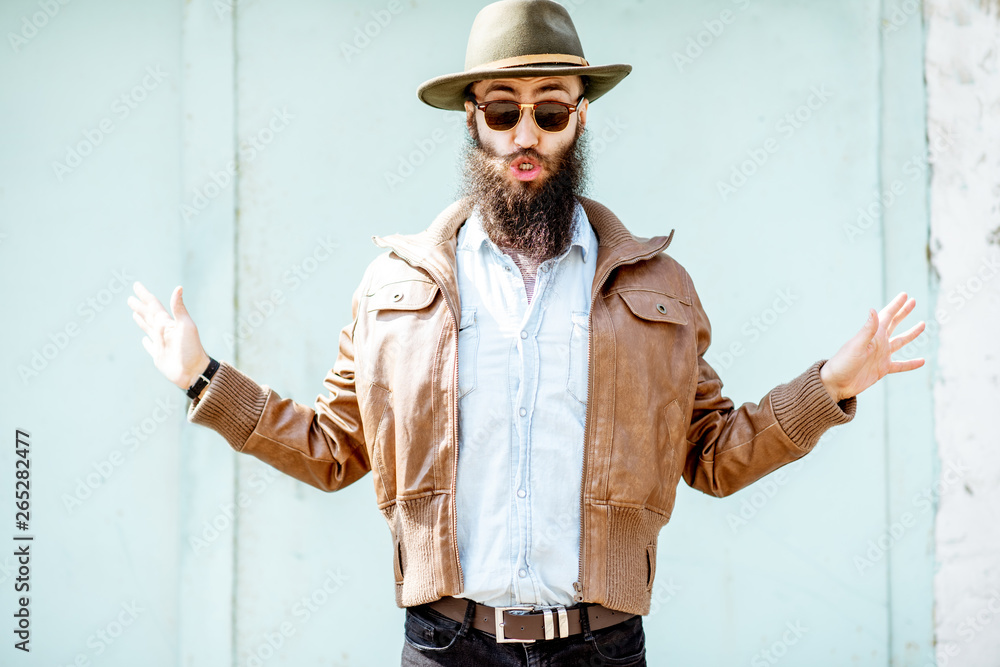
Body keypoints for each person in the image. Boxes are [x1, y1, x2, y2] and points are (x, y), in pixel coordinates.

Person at [127, 1, 926, 664]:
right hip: (446, 642)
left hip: (600, 645)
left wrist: (830, 389)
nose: (525, 136)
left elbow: (713, 455)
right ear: (474, 120)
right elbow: (334, 447)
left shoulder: (658, 289)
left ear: (578, 119)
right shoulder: (394, 291)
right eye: (504, 110)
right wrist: (206, 378)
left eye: (548, 111)